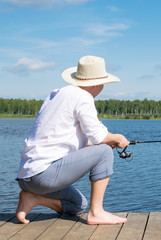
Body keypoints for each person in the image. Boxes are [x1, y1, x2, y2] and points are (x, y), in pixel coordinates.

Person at [15, 55, 129, 225]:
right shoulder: (83, 97)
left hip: (27, 178)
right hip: (42, 175)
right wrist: (118, 138)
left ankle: (32, 198)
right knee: (104, 152)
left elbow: (71, 139)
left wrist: (101, 143)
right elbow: (100, 136)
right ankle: (96, 213)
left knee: (77, 205)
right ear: (99, 84)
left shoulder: (57, 94)